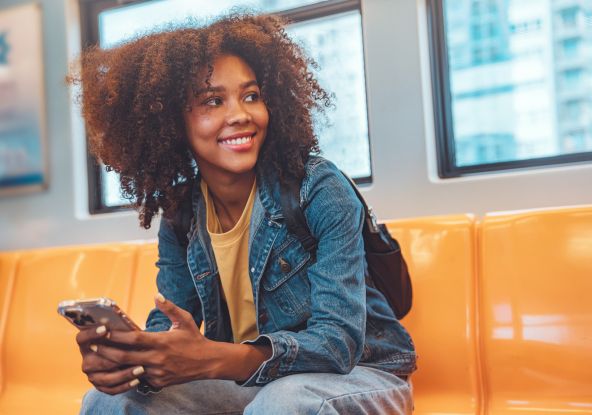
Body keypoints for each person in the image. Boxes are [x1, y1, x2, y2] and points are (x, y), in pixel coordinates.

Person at [69, 12, 416, 415]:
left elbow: (337, 344)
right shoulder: (182, 216)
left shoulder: (318, 189)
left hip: (360, 375)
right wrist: (136, 361)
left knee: (284, 402)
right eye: (213, 101)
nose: (241, 114)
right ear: (170, 121)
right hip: (251, 382)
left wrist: (213, 359)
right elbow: (170, 325)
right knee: (109, 401)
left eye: (251, 95)